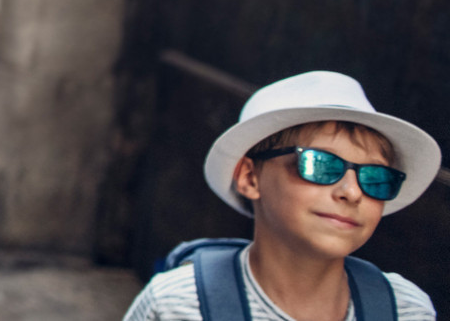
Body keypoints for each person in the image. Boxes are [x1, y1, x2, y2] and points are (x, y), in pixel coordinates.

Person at [122, 71, 440, 321]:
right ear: (249, 177)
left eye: (376, 177)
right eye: (320, 164)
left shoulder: (405, 310)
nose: (352, 192)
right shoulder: (177, 305)